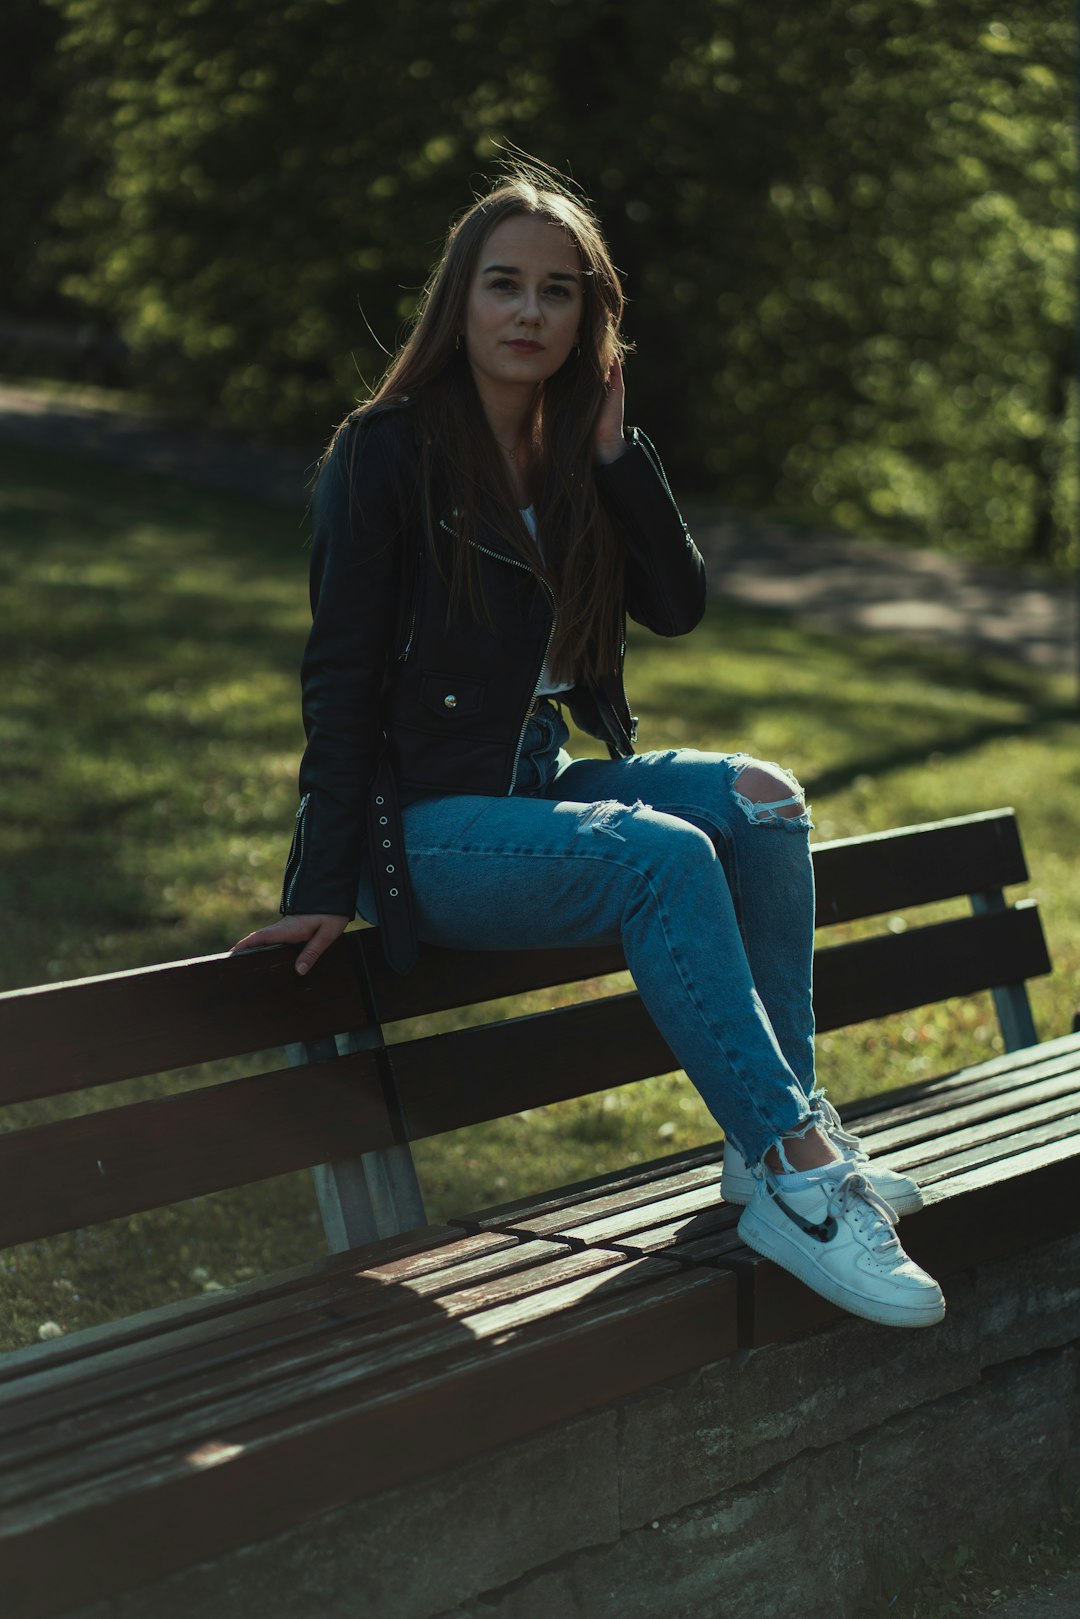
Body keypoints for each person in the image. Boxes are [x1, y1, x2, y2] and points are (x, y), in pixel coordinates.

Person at [231, 161, 945, 1331]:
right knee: (659, 853)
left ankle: (771, 1133)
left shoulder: (574, 455)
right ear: (459, 301)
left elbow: (676, 603)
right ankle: (805, 1177)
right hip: (420, 826)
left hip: (532, 778)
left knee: (762, 799)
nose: (527, 313)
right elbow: (341, 673)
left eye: (556, 293)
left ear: (587, 317)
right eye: (503, 286)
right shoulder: (387, 453)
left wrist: (617, 456)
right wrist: (321, 880)